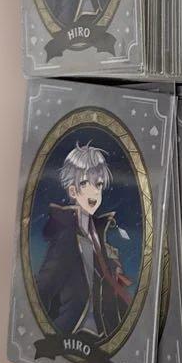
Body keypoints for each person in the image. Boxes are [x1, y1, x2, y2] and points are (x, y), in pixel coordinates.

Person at [34, 142, 132, 338]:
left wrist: (113, 267)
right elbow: (44, 287)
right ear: (72, 191)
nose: (93, 191)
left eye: (99, 184)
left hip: (101, 331)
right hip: (74, 330)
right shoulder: (66, 236)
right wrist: (43, 333)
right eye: (85, 183)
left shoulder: (97, 232)